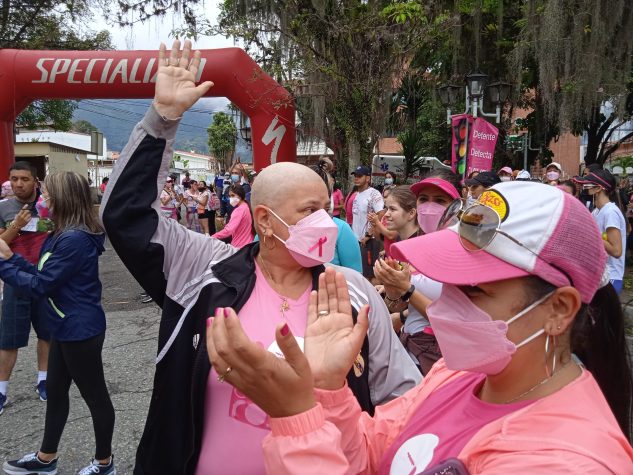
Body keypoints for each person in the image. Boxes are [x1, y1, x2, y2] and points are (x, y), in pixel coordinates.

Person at [99, 40, 421, 474]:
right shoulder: (203, 269)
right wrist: (162, 120)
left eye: (328, 208)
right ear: (265, 220)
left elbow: (403, 398)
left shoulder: (354, 292)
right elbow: (125, 215)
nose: (326, 223)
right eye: (310, 211)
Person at [208, 180, 633, 474]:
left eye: (474, 291)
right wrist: (329, 390)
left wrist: (297, 418)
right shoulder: (456, 375)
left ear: (559, 309)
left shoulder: (564, 459)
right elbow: (371, 455)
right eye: (445, 282)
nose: (445, 305)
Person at [1, 172, 115, 475]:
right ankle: (46, 458)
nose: (42, 200)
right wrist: (10, 257)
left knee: (95, 397)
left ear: (61, 197)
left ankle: (105, 463)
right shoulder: (62, 233)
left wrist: (3, 263)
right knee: (55, 389)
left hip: (80, 329)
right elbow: (43, 274)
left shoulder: (74, 238)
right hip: (65, 326)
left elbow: (41, 286)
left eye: (47, 194)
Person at [375, 175, 461, 374]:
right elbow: (397, 304)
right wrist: (391, 285)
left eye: (440, 201)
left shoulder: (463, 251)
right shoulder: (411, 249)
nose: (429, 207)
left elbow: (452, 317)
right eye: (423, 199)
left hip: (441, 354)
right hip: (411, 346)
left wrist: (406, 289)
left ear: (455, 206)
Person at [0, 162, 50, 415]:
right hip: (15, 279)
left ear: (35, 181)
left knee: (47, 333)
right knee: (9, 338)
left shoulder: (48, 205)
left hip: (44, 277)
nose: (19, 184)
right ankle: (1, 389)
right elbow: (0, 242)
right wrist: (16, 226)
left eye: (24, 179)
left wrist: (40, 222)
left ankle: (44, 379)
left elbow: (56, 231)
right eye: (14, 179)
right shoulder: (4, 208)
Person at [576, 169, 627, 294]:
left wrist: (593, 234)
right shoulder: (596, 211)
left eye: (587, 185)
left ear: (599, 189)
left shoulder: (610, 212)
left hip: (611, 278)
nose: (584, 188)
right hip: (598, 275)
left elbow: (616, 251)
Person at [350, 166, 384, 281]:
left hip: (369, 240)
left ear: (368, 178)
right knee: (360, 272)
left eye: (359, 176)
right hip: (357, 240)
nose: (356, 178)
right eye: (355, 176)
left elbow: (381, 214)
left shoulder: (374, 194)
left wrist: (369, 235)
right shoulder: (357, 195)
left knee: (370, 275)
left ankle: (373, 297)